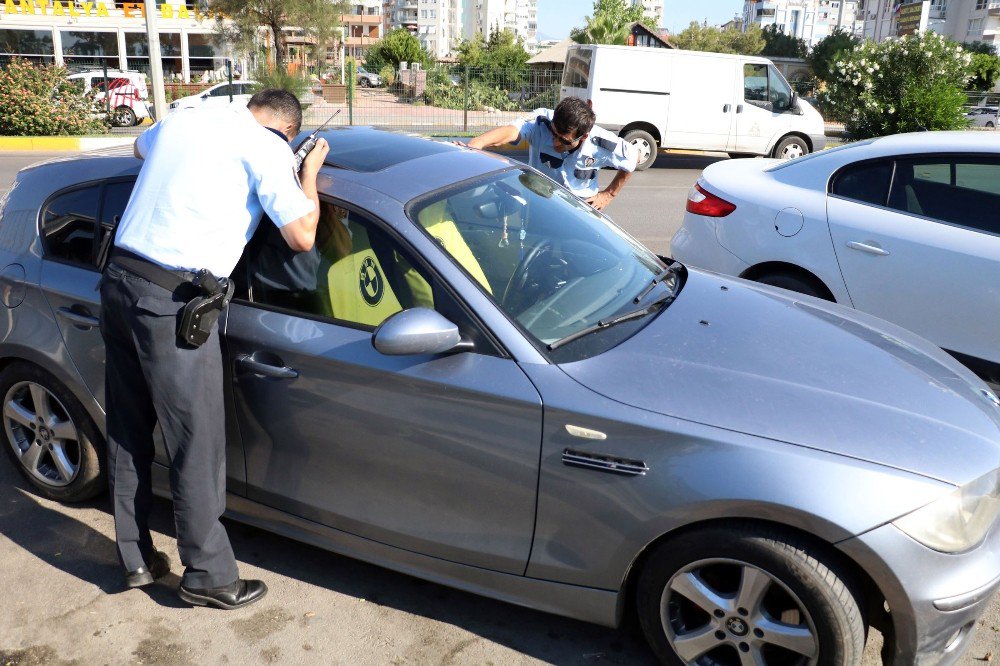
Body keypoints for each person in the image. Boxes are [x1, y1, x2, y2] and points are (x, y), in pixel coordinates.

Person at [100, 89, 329, 610]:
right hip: (172, 304)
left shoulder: (188, 117)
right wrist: (307, 172)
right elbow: (302, 237)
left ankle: (135, 558)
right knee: (195, 443)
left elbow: (140, 148)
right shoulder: (268, 148)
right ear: (287, 130)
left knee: (129, 429)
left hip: (117, 281)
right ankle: (207, 575)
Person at [466, 96, 638, 210]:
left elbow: (633, 157)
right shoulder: (541, 122)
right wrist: (476, 144)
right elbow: (512, 131)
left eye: (564, 140)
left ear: (583, 136)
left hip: (581, 209)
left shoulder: (601, 142)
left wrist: (609, 194)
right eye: (553, 133)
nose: (555, 142)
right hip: (541, 204)